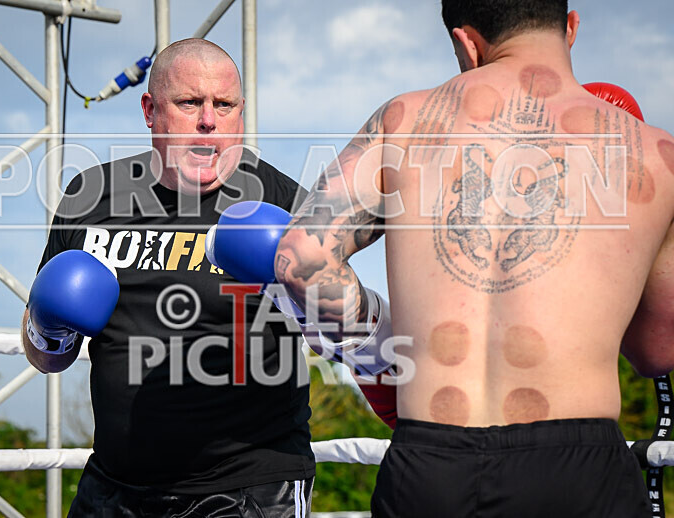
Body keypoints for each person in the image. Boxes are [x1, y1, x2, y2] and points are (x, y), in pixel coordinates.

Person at [274, 1, 674, 516]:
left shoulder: (403, 121)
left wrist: (382, 353)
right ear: (570, 26)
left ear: (466, 42)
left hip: (432, 459)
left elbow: (300, 256)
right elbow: (656, 350)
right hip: (578, 470)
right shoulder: (655, 154)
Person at [21, 38, 315, 517]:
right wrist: (46, 326)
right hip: (114, 486)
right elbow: (46, 358)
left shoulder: (283, 203)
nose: (208, 120)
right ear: (149, 110)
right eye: (189, 102)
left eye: (225, 105)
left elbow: (345, 334)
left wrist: (307, 297)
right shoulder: (92, 197)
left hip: (249, 489)